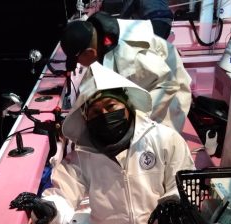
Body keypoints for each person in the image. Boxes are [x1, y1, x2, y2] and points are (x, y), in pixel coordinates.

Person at [10, 63, 195, 224]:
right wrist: (47, 209)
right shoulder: (80, 158)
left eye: (111, 106)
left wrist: (173, 201)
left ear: (127, 105)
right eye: (96, 112)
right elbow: (63, 196)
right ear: (86, 117)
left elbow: (183, 182)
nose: (105, 115)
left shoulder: (165, 139)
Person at [60, 10, 191, 132]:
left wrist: (138, 118)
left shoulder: (130, 56)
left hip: (170, 93)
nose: (78, 64)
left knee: (149, 137)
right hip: (150, 77)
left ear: (90, 52)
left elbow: (169, 84)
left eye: (77, 60)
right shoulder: (98, 37)